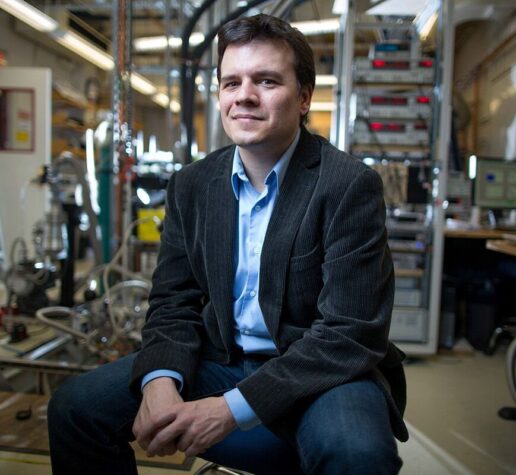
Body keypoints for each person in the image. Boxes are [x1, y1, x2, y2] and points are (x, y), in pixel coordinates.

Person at [48, 13, 408, 475]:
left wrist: (229, 409)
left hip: (322, 372)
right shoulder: (192, 185)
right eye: (231, 82)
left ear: (303, 98)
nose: (244, 96)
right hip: (221, 358)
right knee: (75, 409)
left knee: (358, 456)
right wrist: (160, 378)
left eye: (266, 80)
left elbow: (349, 333)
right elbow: (173, 300)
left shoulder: (348, 185)